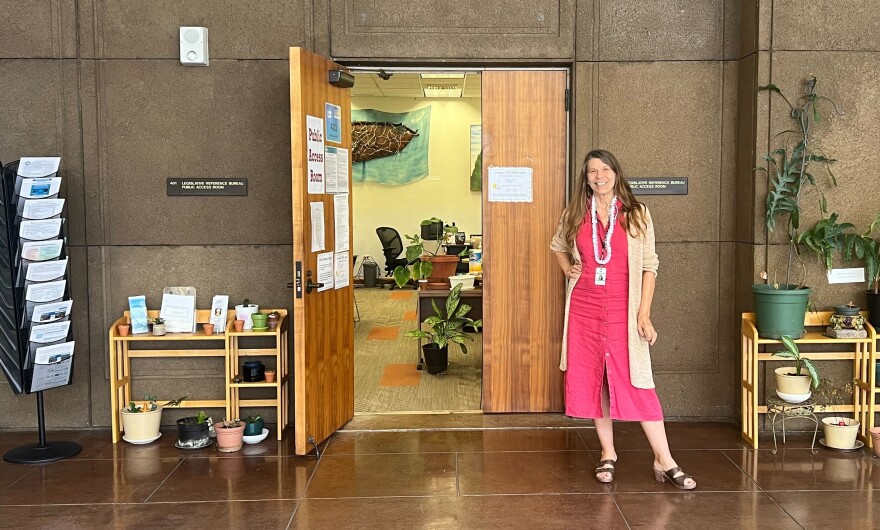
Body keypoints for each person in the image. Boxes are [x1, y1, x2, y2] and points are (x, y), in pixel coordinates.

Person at [550, 149, 696, 490]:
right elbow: (557, 245)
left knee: (638, 382)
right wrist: (567, 269)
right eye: (592, 172)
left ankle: (665, 458)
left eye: (605, 170)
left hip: (622, 310)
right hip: (584, 308)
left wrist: (643, 314)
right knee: (594, 381)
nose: (599, 176)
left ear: (616, 173)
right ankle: (607, 453)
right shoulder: (575, 214)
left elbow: (650, 266)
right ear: (585, 179)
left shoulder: (637, 213)